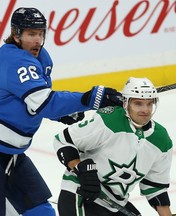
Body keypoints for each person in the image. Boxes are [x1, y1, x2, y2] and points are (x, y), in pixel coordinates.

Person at [0, 7, 123, 216]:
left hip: (10, 150)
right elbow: (44, 102)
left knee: (40, 210)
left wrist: (62, 113)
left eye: (40, 34)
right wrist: (90, 98)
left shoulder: (39, 57)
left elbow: (34, 101)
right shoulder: (16, 60)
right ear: (16, 34)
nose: (37, 40)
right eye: (31, 34)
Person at [53, 77, 173, 216]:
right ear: (125, 103)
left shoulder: (162, 140)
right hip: (81, 194)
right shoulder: (109, 120)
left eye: (149, 104)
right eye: (138, 104)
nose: (145, 110)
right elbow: (63, 141)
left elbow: (155, 188)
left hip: (116, 204)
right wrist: (81, 170)